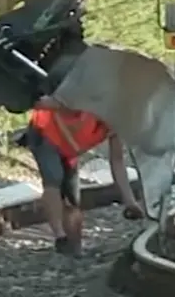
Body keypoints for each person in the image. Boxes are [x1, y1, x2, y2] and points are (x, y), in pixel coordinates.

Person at [19, 95, 144, 255]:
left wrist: (130, 202)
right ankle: (60, 236)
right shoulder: (86, 104)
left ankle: (74, 247)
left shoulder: (113, 128)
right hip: (45, 133)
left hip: (69, 151)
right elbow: (47, 104)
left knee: (73, 198)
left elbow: (117, 163)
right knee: (54, 178)